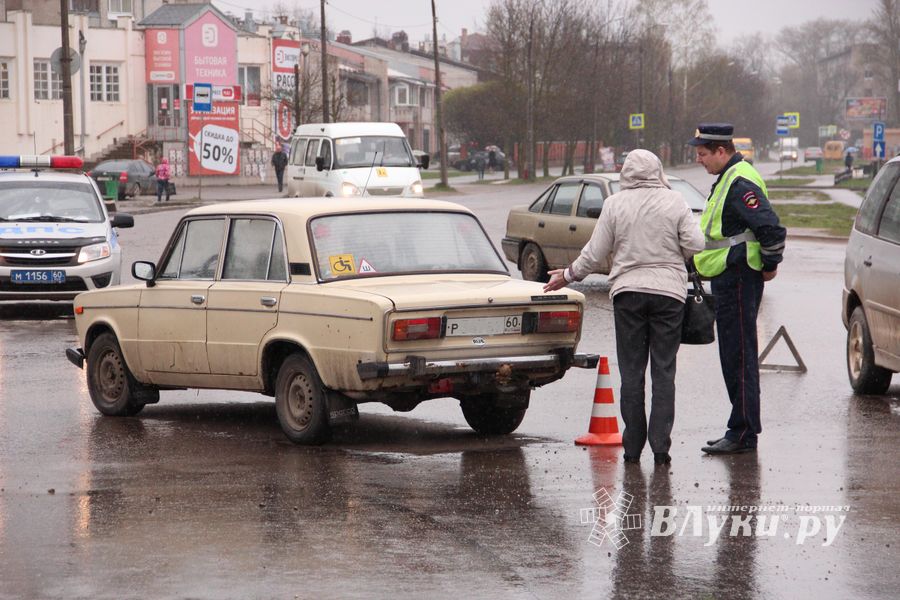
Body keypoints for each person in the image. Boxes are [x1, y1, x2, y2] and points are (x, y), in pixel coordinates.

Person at [543, 149, 705, 465]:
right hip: (669, 295)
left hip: (628, 294)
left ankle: (632, 447)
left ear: (626, 174)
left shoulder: (615, 205)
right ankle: (661, 447)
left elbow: (594, 252)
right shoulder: (674, 201)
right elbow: (696, 244)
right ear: (657, 171)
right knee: (663, 371)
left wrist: (567, 275)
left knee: (631, 373)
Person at [688, 123, 787, 455]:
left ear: (721, 151)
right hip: (730, 275)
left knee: (740, 355)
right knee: (732, 354)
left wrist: (769, 266)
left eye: (702, 154)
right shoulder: (728, 177)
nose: (699, 160)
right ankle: (739, 428)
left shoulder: (739, 180)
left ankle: (743, 433)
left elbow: (770, 227)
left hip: (741, 276)